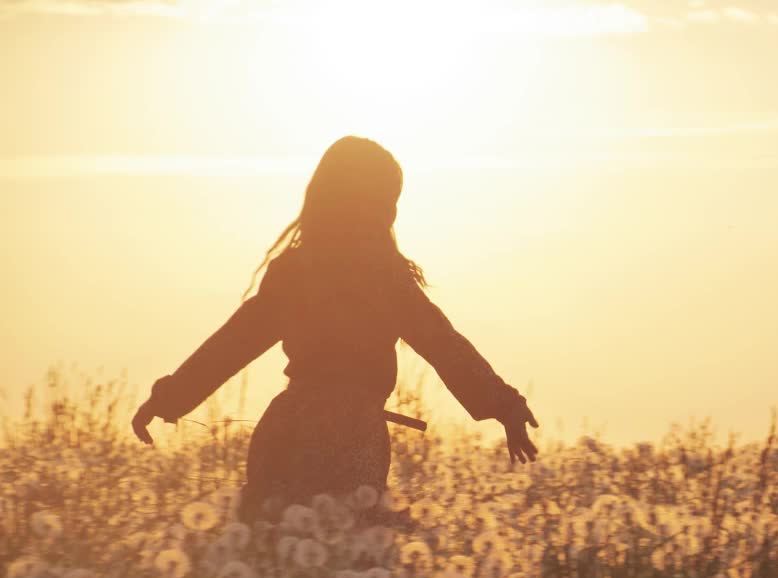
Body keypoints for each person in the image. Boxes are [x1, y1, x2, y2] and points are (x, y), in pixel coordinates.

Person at [130, 136, 539, 522]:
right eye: (388, 201)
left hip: (285, 430)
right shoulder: (385, 278)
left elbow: (230, 346)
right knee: (354, 560)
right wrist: (505, 406)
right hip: (353, 438)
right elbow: (445, 346)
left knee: (273, 559)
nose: (393, 214)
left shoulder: (294, 272)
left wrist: (168, 399)